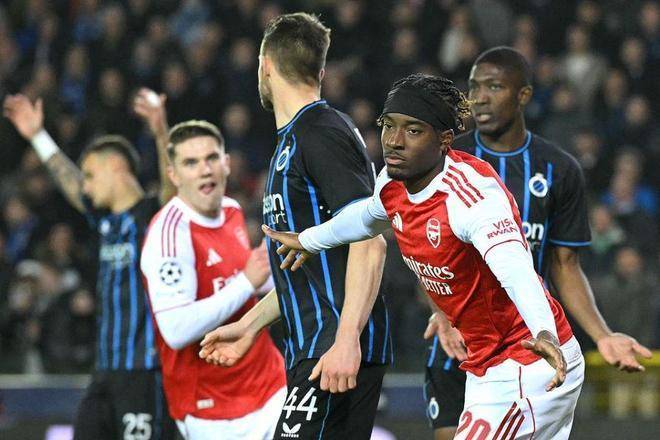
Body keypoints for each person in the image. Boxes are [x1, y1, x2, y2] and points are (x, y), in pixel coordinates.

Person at [259, 73, 585, 439]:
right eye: (388, 126)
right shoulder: (393, 182)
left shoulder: (471, 197)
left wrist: (543, 331)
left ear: (444, 140)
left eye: (413, 131)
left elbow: (516, 271)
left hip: (529, 358)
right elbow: (365, 218)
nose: (394, 141)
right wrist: (309, 239)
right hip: (487, 364)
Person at [423, 47, 653, 440]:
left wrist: (602, 335)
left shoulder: (559, 169)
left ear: (524, 95)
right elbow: (422, 247)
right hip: (458, 341)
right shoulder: (445, 160)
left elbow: (566, 266)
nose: (480, 98)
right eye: (474, 87)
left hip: (528, 347)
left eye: (494, 87)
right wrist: (440, 312)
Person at [202, 12, 390, 439]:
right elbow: (310, 269)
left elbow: (370, 240)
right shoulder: (295, 140)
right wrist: (250, 325)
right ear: (320, 72)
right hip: (318, 346)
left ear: (265, 65)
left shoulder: (320, 134)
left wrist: (346, 339)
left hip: (335, 349)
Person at [3, 92, 177, 439]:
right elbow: (70, 184)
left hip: (144, 372)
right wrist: (38, 137)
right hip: (105, 373)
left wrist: (161, 134)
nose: (85, 184)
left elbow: (172, 192)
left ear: (116, 168)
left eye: (91, 175)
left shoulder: (153, 218)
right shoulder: (106, 222)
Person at [141, 120, 286, 439]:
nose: (205, 170)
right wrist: (246, 282)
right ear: (174, 175)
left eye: (211, 158)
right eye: (191, 163)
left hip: (270, 385)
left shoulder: (232, 210)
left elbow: (249, 281)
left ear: (227, 163)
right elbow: (176, 330)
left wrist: (274, 273)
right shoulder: (169, 234)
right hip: (211, 410)